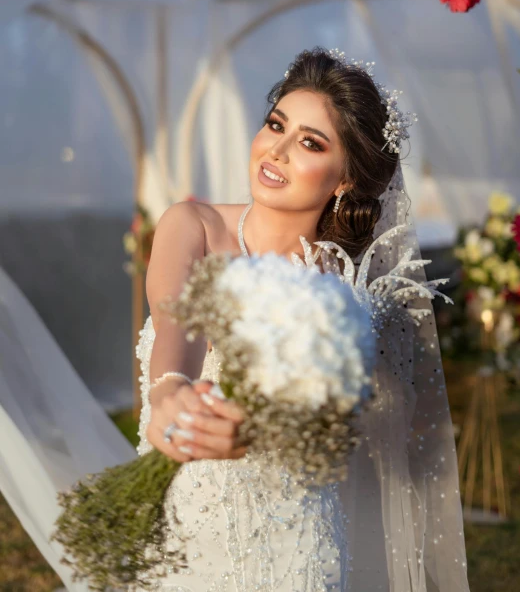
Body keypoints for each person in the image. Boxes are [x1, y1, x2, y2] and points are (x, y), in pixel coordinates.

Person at [135, 47, 470, 592]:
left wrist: (257, 425)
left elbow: (342, 428)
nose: (278, 150)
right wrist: (170, 392)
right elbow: (179, 321)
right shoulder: (191, 224)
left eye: (311, 143)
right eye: (276, 125)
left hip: (296, 551)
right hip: (182, 534)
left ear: (343, 180)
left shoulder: (349, 297)